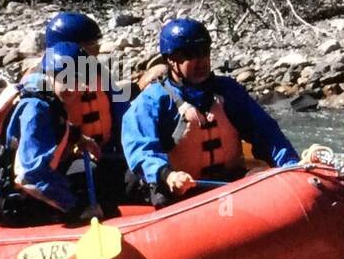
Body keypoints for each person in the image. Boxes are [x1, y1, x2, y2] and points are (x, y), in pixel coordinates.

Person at [123, 18, 301, 208]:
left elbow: (267, 134)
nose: (201, 61)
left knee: (263, 177)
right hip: (180, 187)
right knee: (160, 198)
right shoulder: (152, 101)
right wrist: (167, 175)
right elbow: (142, 150)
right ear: (170, 59)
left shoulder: (228, 92)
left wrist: (291, 165)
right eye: (190, 54)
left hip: (229, 181)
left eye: (204, 52)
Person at [0, 42, 104, 227]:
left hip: (16, 193)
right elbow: (29, 176)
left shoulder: (47, 97)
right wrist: (74, 206)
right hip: (7, 205)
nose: (73, 87)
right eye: (66, 79)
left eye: (78, 80)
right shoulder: (35, 108)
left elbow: (52, 128)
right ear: (50, 75)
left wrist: (77, 137)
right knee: (80, 208)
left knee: (89, 173)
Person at [39, 11, 132, 210]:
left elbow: (126, 116)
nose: (96, 53)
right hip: (66, 163)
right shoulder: (45, 87)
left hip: (104, 152)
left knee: (133, 174)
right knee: (89, 174)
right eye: (90, 48)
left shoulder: (103, 75)